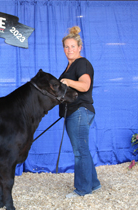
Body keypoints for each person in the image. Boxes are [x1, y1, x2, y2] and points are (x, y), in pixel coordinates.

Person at [58, 26, 101, 198]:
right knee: (82, 149)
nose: (69, 50)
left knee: (79, 151)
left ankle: (83, 189)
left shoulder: (82, 63)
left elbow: (85, 85)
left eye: (72, 46)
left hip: (80, 111)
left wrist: (67, 81)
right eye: (66, 47)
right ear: (63, 49)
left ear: (79, 47)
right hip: (75, 112)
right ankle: (94, 184)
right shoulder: (70, 66)